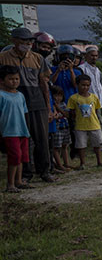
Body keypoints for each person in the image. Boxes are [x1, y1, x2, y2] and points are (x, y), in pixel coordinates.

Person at [0, 27, 54, 183]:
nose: (27, 44)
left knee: (42, 139)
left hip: (37, 102)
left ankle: (45, 171)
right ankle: (25, 174)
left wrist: (48, 108)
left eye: (30, 41)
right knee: (23, 140)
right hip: (14, 104)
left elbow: (44, 84)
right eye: (24, 41)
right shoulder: (3, 58)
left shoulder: (37, 58)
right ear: (14, 41)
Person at [0, 65, 33, 192]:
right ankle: (10, 184)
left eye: (17, 79)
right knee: (14, 157)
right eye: (11, 79)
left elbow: (24, 113)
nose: (15, 81)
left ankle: (18, 181)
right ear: (2, 80)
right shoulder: (1, 95)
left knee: (22, 157)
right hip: (9, 131)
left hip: (22, 130)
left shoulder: (20, 95)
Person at [67, 74, 102, 169]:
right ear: (77, 85)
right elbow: (71, 112)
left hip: (94, 125)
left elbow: (95, 110)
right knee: (81, 145)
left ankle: (99, 162)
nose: (85, 87)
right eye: (83, 85)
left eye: (87, 85)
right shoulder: (73, 98)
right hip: (80, 126)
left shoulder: (94, 97)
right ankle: (82, 163)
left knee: (97, 144)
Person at [78, 46, 102, 141]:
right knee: (97, 122)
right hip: (90, 101)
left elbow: (100, 84)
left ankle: (101, 141)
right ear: (86, 56)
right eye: (92, 55)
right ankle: (99, 143)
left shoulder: (98, 70)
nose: (94, 57)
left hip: (100, 100)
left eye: (96, 56)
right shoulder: (82, 69)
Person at [49, 86, 72, 172]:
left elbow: (67, 114)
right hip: (57, 128)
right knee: (56, 147)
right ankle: (59, 165)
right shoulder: (51, 107)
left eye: (60, 96)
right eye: (55, 95)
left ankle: (66, 163)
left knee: (65, 146)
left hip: (65, 127)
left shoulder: (63, 104)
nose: (57, 98)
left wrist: (58, 108)